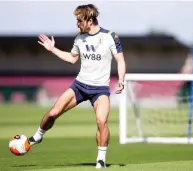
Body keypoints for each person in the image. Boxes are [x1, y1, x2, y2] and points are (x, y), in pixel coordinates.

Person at [28, 4, 126, 169]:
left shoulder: (110, 36)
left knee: (102, 121)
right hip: (80, 86)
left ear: (89, 20)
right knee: (52, 114)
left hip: (100, 89)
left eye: (79, 20)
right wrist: (53, 49)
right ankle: (38, 136)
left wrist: (122, 79)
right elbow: (73, 58)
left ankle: (100, 160)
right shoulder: (79, 38)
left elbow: (120, 60)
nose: (77, 24)